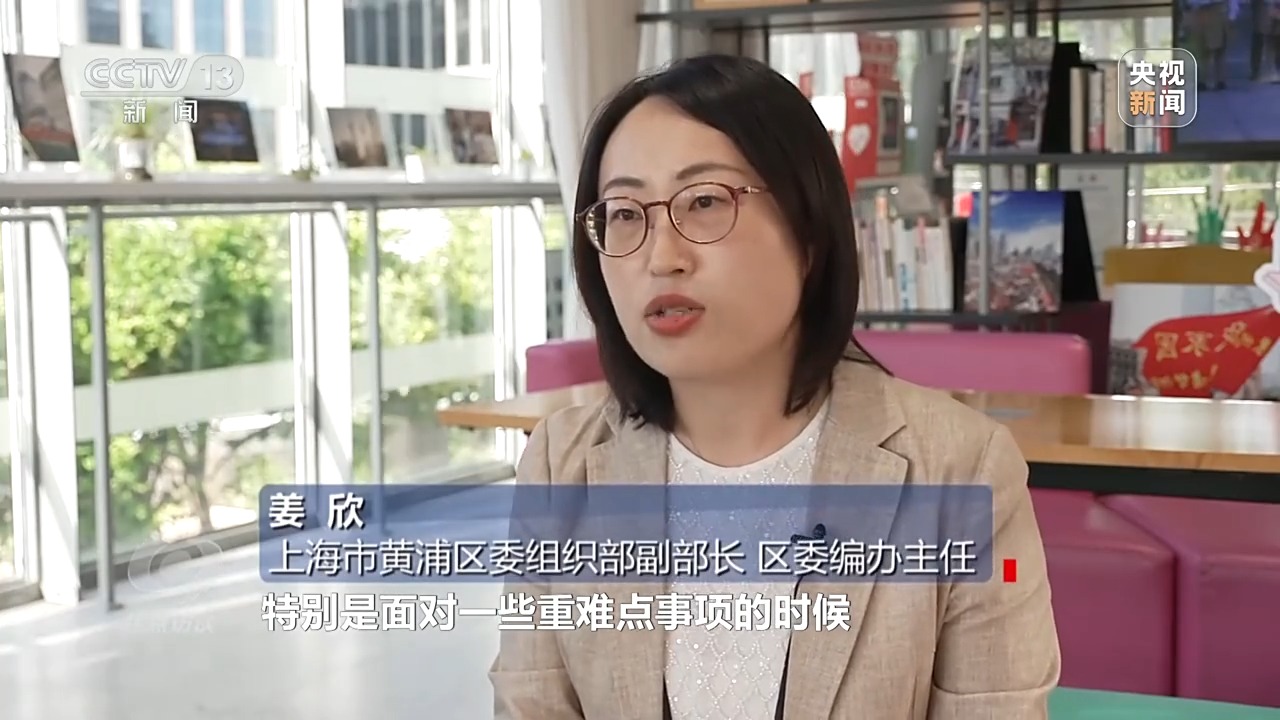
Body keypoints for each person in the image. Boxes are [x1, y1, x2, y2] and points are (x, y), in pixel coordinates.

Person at [489, 54, 1060, 719]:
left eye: (705, 202)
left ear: (808, 230)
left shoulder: (961, 469)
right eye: (624, 214)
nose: (661, 256)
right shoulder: (560, 466)